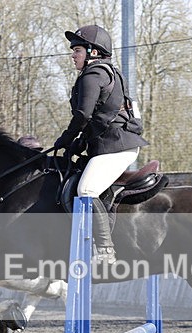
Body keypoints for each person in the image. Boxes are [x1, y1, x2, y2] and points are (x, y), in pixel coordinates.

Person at [53, 24, 148, 264]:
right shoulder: (106, 73)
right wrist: (79, 143)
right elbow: (98, 118)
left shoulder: (94, 74)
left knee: (86, 190)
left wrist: (67, 138)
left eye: (77, 50)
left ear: (92, 52)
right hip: (110, 144)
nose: (73, 55)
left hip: (115, 146)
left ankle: (105, 250)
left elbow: (83, 115)